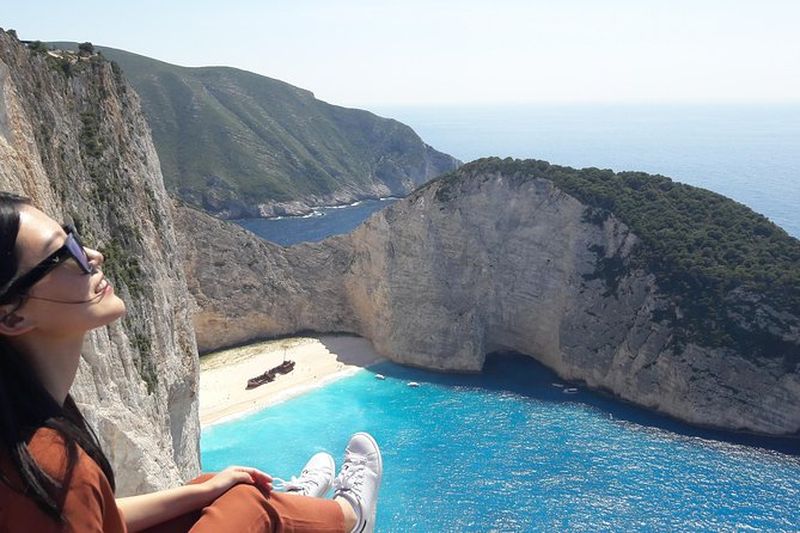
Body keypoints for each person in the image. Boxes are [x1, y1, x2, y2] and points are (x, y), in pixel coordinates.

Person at [0, 191, 383, 532]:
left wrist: (203, 493)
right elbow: (74, 505)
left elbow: (100, 515)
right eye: (63, 255)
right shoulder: (52, 469)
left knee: (213, 488)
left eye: (75, 239)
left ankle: (303, 508)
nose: (93, 256)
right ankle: (349, 518)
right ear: (12, 316)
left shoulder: (24, 436)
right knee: (248, 505)